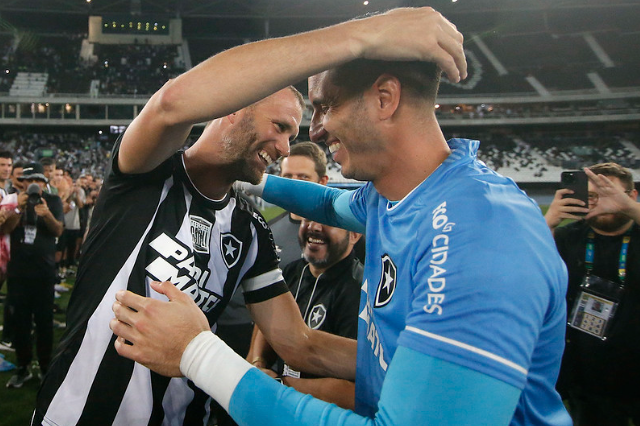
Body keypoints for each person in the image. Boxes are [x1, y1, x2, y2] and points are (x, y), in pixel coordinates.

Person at [109, 8, 571, 425]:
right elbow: (328, 203)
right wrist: (251, 176)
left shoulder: (481, 235)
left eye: (325, 105)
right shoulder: (393, 199)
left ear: (385, 98)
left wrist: (198, 354)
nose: (315, 129)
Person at [31, 7, 464, 424]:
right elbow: (171, 104)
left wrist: (414, 368)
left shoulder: (250, 230)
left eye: (292, 134)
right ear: (232, 107)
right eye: (279, 127)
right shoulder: (144, 175)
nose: (283, 148)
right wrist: (361, 37)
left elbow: (300, 345)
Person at [545, 162, 640, 426]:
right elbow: (524, 280)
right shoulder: (565, 237)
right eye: (592, 196)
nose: (600, 202)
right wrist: (546, 224)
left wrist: (631, 210)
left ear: (631, 196)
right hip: (588, 379)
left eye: (610, 193)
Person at [248, 216, 362, 409]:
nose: (314, 226)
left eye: (328, 221)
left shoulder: (358, 291)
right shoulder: (293, 272)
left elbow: (354, 392)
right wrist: (258, 362)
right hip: (281, 406)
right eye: (306, 219)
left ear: (354, 234)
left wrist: (281, 386)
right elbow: (267, 322)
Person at [2, 162, 63, 388]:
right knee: (20, 322)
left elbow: (58, 230)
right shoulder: (13, 201)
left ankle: (46, 367)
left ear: (43, 183)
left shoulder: (53, 201)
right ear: (23, 183)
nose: (33, 185)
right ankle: (23, 367)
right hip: (18, 271)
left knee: (44, 322)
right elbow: (5, 230)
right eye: (28, 181)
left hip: (44, 271)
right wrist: (17, 209)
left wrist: (46, 215)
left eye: (37, 181)